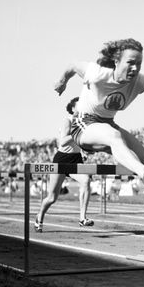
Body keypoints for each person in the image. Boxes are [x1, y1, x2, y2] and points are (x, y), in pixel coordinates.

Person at [53, 38, 144, 187]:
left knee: (143, 157)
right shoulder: (97, 74)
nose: (135, 68)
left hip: (108, 124)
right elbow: (73, 65)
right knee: (115, 137)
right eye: (130, 62)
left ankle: (133, 161)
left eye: (139, 64)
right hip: (83, 123)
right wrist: (62, 81)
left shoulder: (138, 81)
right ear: (117, 61)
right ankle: (143, 173)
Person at [35, 97, 94, 233]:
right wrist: (79, 133)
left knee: (86, 180)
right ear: (73, 108)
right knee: (52, 198)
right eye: (80, 105)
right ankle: (39, 217)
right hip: (62, 159)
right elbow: (63, 142)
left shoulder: (84, 122)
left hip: (75, 158)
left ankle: (82, 218)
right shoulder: (68, 120)